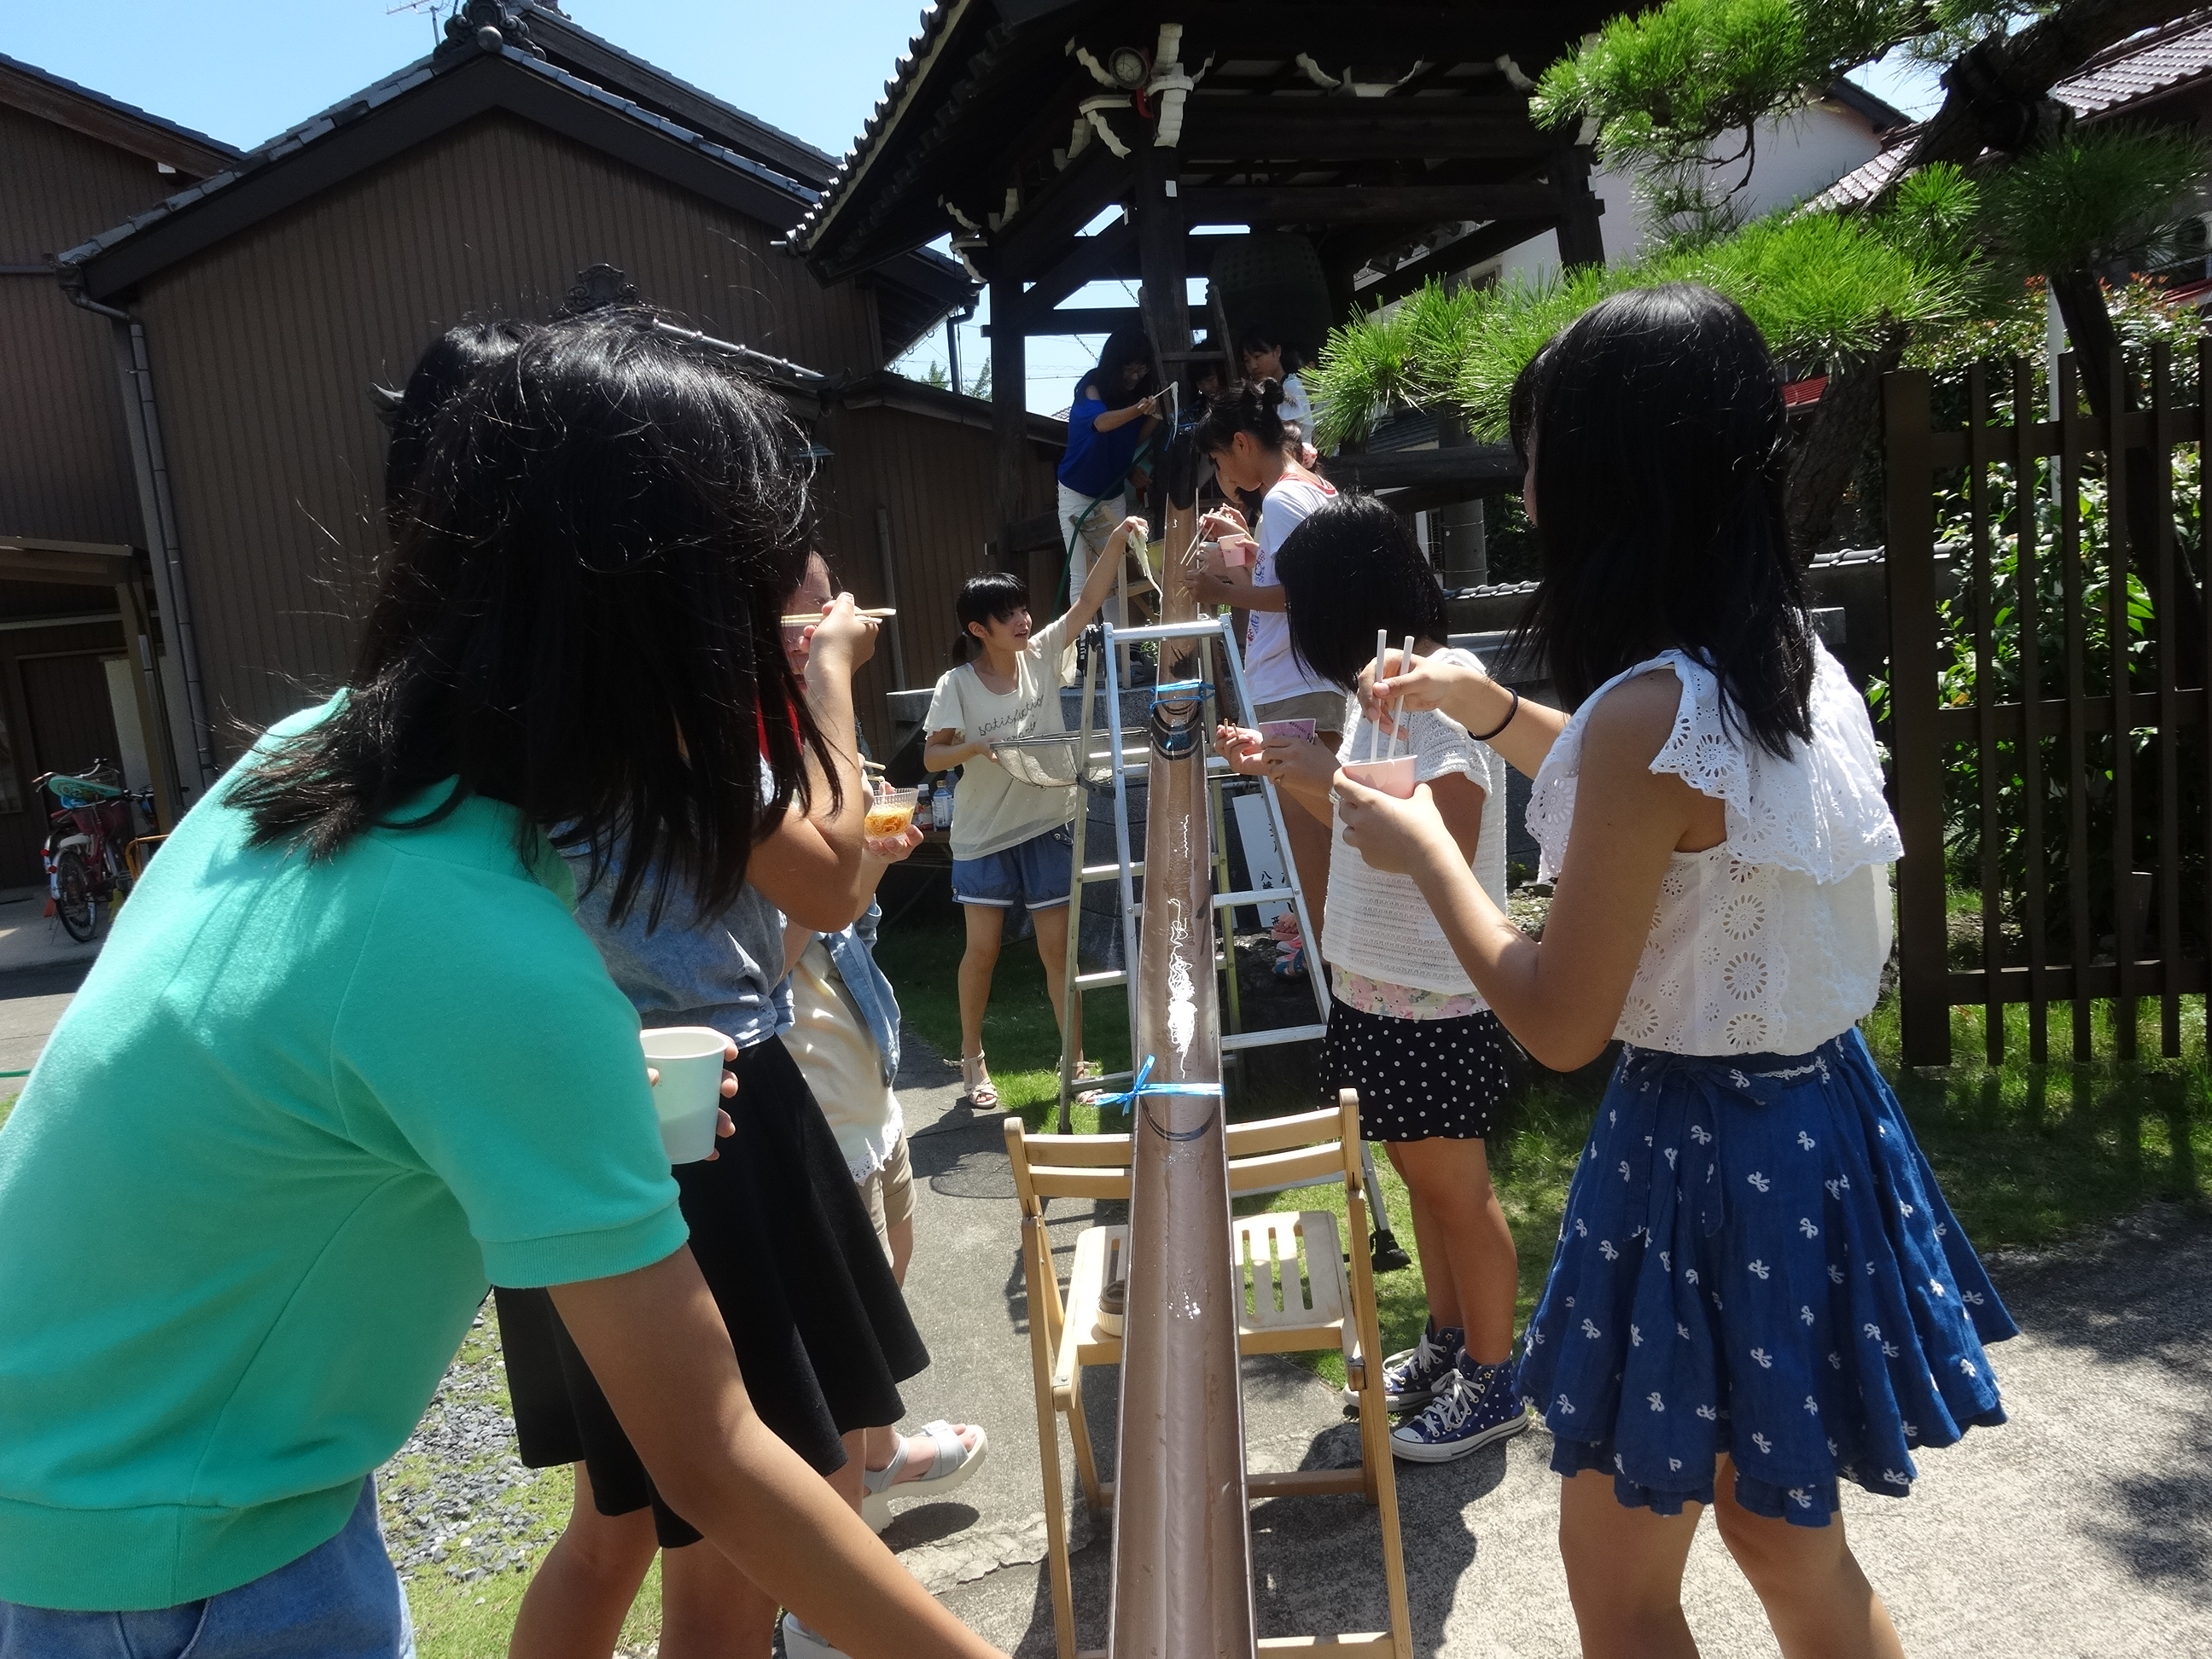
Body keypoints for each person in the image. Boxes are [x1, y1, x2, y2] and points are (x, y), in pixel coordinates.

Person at [0, 309, 1001, 1659]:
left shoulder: (311, 758)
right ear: (664, 630)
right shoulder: (486, 953)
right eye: (757, 611)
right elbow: (713, 1456)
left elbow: (290, 1053)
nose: (772, 652)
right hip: (180, 1571)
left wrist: (584, 1075)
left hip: (96, 1502)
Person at [1334, 283, 2013, 1659]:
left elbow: (1559, 1023)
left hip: (1700, 1160)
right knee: (1786, 1543)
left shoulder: (1651, 713)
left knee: (1623, 1576)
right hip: (1819, 1129)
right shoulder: (1782, 663)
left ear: (1613, 472)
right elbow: (1671, 809)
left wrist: (1425, 853)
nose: (1528, 489)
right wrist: (1490, 709)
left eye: (1541, 453)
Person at [500, 546, 936, 1659]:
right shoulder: (673, 724)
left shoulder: (524, 714)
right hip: (714, 1120)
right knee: (748, 1526)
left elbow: (791, 910)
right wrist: (828, 678)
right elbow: (828, 879)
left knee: (617, 1526)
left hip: (577, 1114)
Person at [1215, 495, 1525, 1462]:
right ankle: (1450, 1342)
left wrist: (1327, 775)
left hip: (1431, 993)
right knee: (1424, 1184)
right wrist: (1293, 770)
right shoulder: (1376, 686)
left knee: (1457, 1192)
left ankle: (1496, 1379)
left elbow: (1447, 839)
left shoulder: (1443, 689)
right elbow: (1362, 823)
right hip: (1376, 985)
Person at [777, 553, 989, 1557]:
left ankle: (876, 1452)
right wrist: (850, 858)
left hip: (860, 1069)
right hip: (804, 1089)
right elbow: (755, 956)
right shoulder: (747, 761)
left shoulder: (814, 737)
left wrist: (868, 852)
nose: (838, 620)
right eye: (814, 612)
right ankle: (840, 1549)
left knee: (892, 1260)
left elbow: (840, 900)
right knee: (833, 1330)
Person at [923, 523, 1144, 1109]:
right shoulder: (956, 685)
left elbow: (1088, 600)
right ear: (979, 629)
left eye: (1022, 608)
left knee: (1057, 953)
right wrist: (973, 748)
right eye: (1008, 614)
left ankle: (1075, 1061)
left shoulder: (1043, 653)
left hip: (1049, 821)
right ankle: (972, 1059)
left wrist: (1116, 540)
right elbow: (931, 756)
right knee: (983, 951)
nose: (1022, 620)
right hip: (983, 836)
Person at [1190, 380, 1341, 975]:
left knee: (1311, 842)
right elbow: (1297, 579)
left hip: (1294, 684)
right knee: (1327, 831)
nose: (1222, 473)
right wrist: (1244, 549)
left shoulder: (1281, 499)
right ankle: (1337, 964)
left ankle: (1331, 973)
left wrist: (1218, 588)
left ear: (1241, 442)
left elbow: (1303, 595)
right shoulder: (1313, 488)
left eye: (1219, 458)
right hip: (1312, 680)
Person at [1055, 329, 1160, 623]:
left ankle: (1119, 646)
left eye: (1142, 368)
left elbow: (1132, 440)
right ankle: (1083, 645)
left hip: (1112, 494)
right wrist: (1138, 409)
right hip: (1077, 493)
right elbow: (1101, 424)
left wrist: (1156, 416)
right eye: (1129, 368)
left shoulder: (1141, 394)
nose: (1135, 376)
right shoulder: (1092, 387)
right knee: (1081, 575)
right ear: (1114, 364)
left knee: (1113, 575)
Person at [1239, 328, 1314, 442]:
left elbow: (1292, 436)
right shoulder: (1260, 393)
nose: (1253, 366)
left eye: (1257, 356)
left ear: (1277, 352)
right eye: (1247, 361)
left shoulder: (1291, 386)